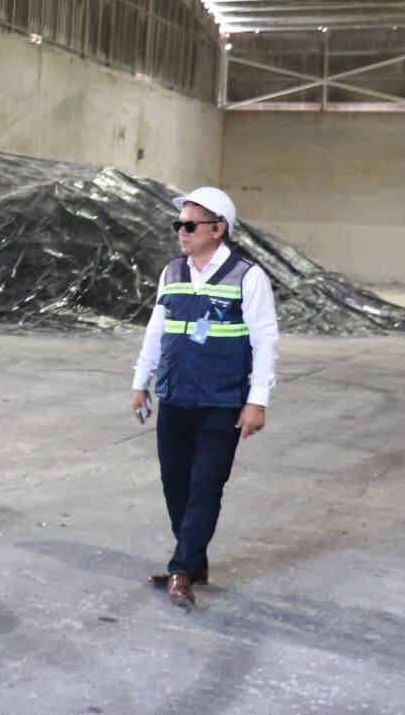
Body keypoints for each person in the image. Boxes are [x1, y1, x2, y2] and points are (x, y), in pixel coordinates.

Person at [130, 186, 279, 609]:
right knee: (175, 484)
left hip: (222, 399)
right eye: (179, 224)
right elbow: (156, 330)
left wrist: (257, 401)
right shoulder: (172, 272)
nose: (182, 231)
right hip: (175, 395)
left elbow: (265, 340)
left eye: (190, 225)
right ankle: (194, 562)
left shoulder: (247, 276)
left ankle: (181, 568)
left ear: (218, 229)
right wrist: (141, 382)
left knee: (206, 485)